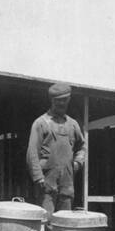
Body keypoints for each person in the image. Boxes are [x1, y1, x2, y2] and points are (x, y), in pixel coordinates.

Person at [26, 83, 86, 216]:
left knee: (65, 220)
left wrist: (77, 163)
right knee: (46, 219)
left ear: (69, 100)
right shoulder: (41, 123)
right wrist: (38, 177)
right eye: (58, 100)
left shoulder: (73, 124)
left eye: (64, 100)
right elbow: (32, 153)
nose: (61, 103)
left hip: (67, 181)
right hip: (46, 181)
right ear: (52, 100)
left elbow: (82, 147)